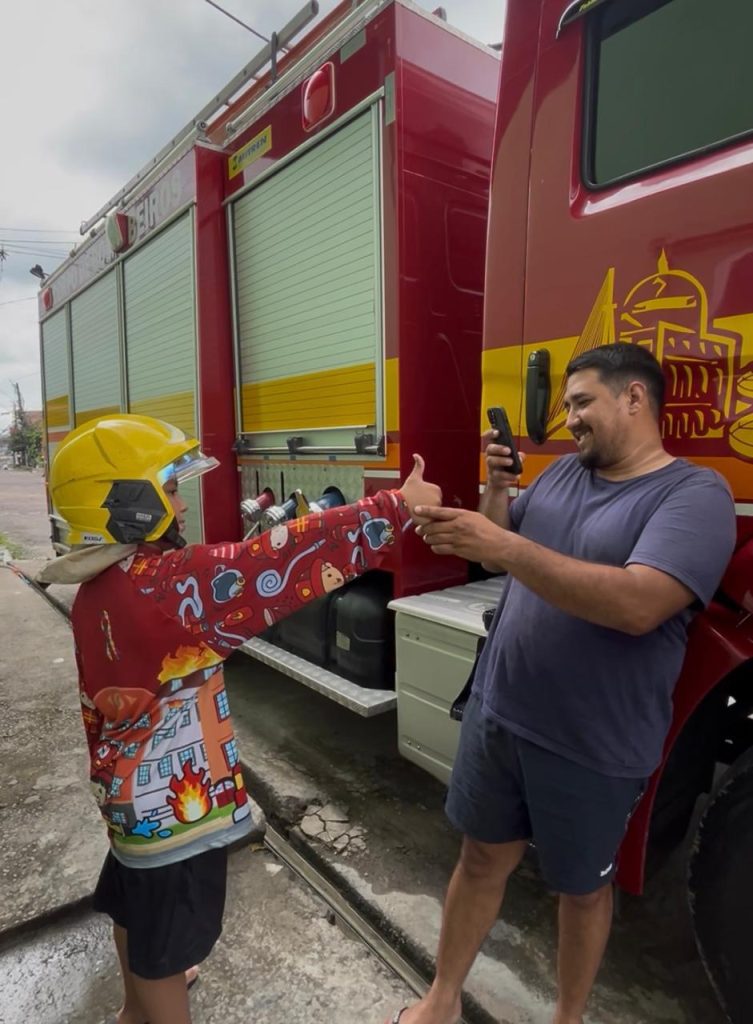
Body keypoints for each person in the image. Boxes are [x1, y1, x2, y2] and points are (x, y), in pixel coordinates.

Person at [40, 413, 440, 1024]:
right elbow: (275, 558)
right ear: (128, 504)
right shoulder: (167, 587)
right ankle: (155, 997)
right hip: (175, 816)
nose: (179, 500)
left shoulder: (99, 589)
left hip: (130, 809)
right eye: (168, 489)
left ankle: (132, 1010)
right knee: (162, 948)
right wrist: (394, 506)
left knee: (133, 911)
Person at [389, 343, 737, 1024]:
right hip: (501, 712)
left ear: (633, 398)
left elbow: (639, 603)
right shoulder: (557, 476)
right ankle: (441, 998)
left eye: (581, 403)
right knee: (480, 858)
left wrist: (504, 545)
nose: (568, 419)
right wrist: (493, 496)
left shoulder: (693, 495)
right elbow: (502, 547)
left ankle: (567, 1018)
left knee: (580, 891)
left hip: (592, 744)